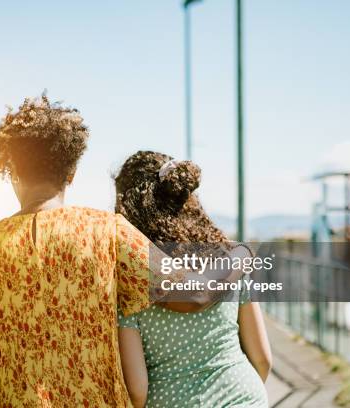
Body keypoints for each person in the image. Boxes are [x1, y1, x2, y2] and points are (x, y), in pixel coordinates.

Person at [0, 95, 198, 407]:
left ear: (11, 170)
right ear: (71, 173)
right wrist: (237, 258)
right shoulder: (107, 230)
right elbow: (188, 294)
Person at [114, 151, 272, 408]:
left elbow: (137, 390)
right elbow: (263, 359)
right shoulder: (229, 262)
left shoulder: (130, 280)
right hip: (244, 396)